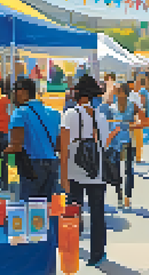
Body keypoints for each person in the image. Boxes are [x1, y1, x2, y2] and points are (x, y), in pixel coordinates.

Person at [60, 75, 109, 267]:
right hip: (96, 172)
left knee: (73, 212)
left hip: (74, 171)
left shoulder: (70, 115)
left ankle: (72, 248)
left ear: (78, 95)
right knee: (98, 214)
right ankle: (97, 253)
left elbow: (64, 148)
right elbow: (104, 145)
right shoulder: (101, 117)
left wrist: (63, 176)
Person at [4, 78, 61, 202]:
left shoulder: (20, 113)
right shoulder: (54, 114)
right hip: (52, 165)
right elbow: (58, 145)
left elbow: (16, 146)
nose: (12, 95)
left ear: (23, 92)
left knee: (30, 210)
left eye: (14, 91)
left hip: (31, 166)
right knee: (47, 209)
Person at [105, 83, 149, 209]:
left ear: (124, 93)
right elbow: (107, 125)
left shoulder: (132, 106)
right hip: (115, 143)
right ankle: (119, 196)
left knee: (128, 170)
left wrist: (131, 126)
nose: (116, 93)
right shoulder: (111, 107)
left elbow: (144, 122)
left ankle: (127, 197)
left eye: (118, 91)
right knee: (116, 171)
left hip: (128, 141)